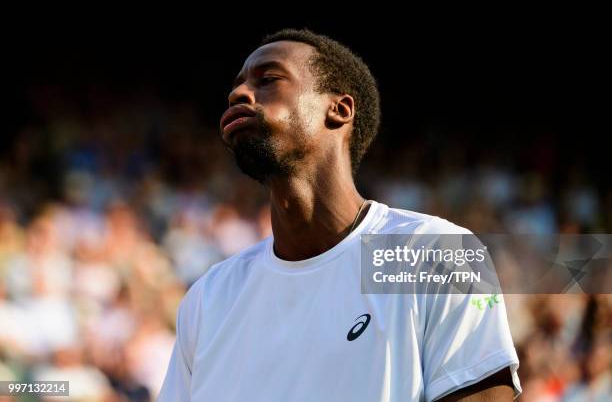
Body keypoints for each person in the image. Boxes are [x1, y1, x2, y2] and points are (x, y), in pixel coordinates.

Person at [158, 28, 521, 402]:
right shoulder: (209, 297)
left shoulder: (435, 253)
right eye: (236, 86)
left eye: (268, 79)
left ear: (339, 109)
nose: (238, 93)